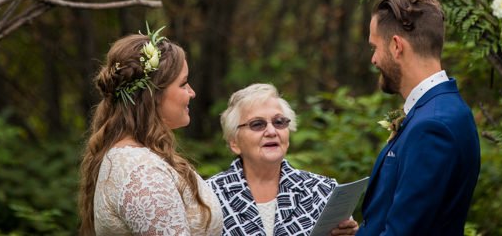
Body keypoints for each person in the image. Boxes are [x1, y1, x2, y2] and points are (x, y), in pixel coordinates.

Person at [359, 0, 480, 236]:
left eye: (375, 47)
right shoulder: (446, 109)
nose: (373, 60)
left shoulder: (432, 126)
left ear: (395, 46)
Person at [78, 28, 222, 236]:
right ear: (153, 96)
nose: (192, 92)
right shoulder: (142, 174)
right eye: (183, 84)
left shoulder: (139, 158)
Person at [207, 83, 358, 236]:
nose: (272, 131)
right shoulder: (207, 196)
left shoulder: (324, 191)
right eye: (257, 124)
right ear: (234, 142)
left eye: (279, 122)